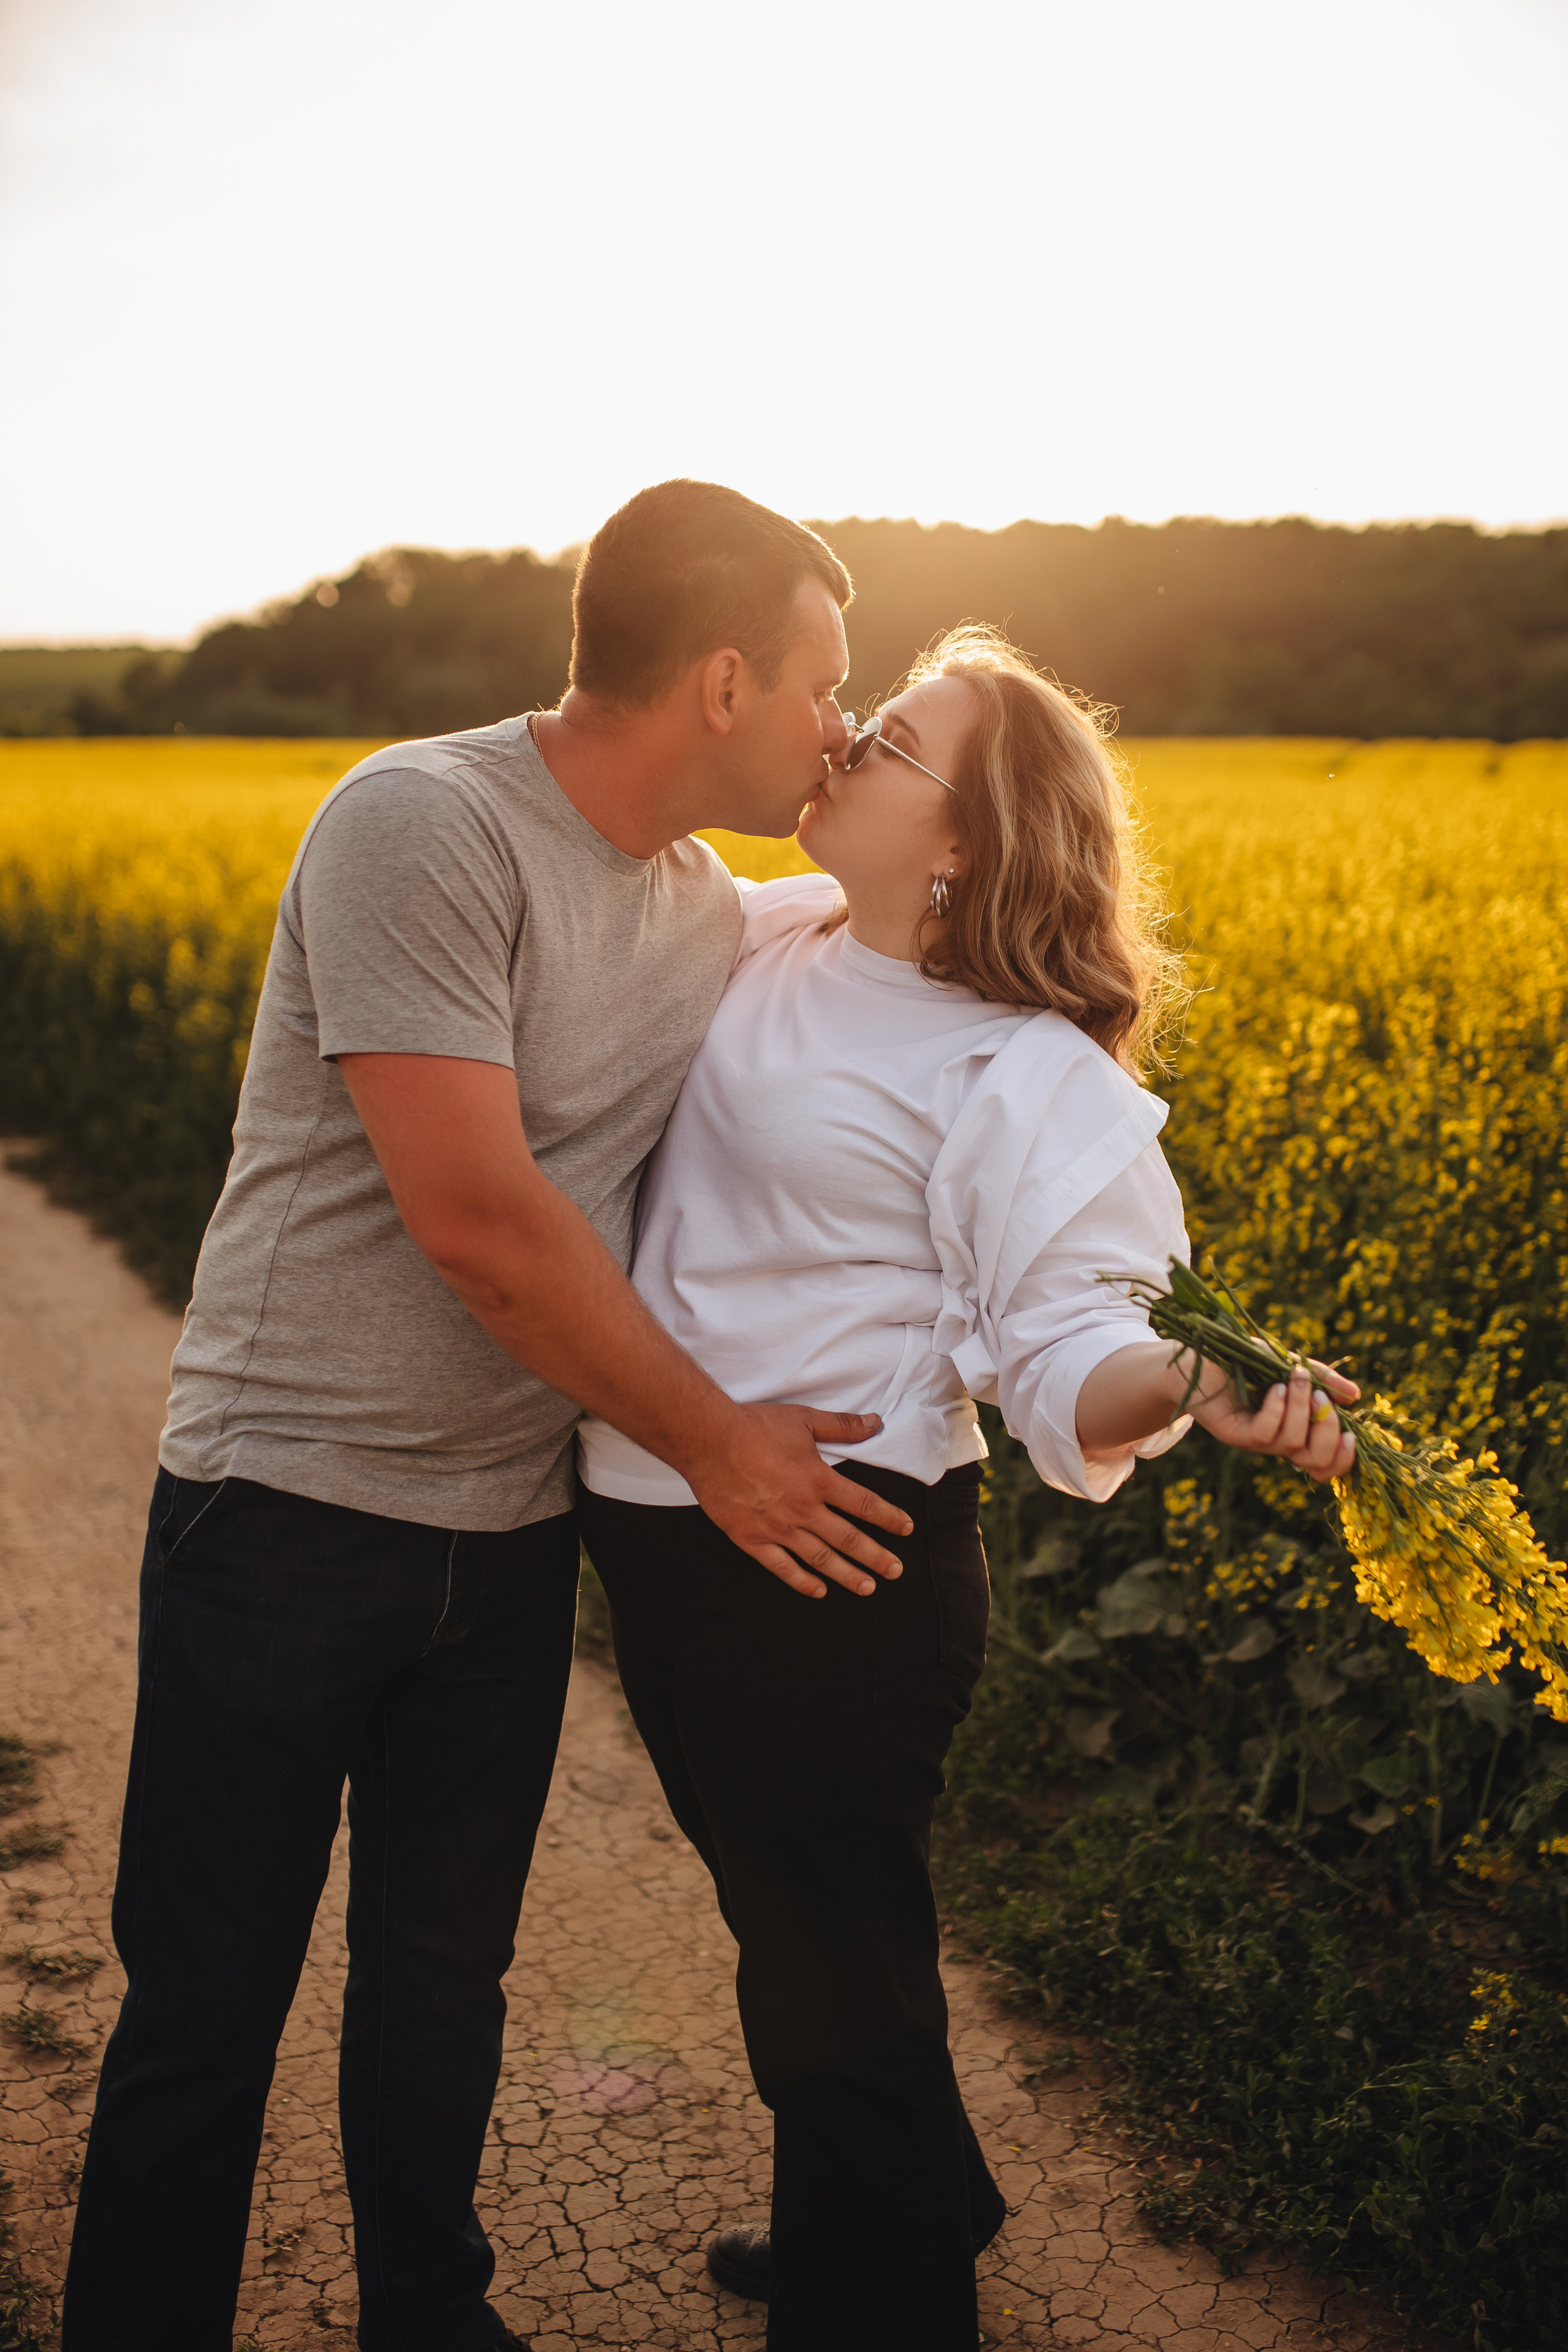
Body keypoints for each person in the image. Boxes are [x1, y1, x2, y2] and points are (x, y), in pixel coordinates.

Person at [62, 482, 918, 2352]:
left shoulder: (707, 907)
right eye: (823, 685)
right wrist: (717, 1441)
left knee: (443, 1985)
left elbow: (928, 943)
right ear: (718, 681)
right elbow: (480, 1224)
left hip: (509, 1542)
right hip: (283, 1514)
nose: (838, 725)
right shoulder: (421, 823)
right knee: (209, 2000)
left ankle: (427, 2322)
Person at [575, 625, 1359, 2352]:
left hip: (835, 1567)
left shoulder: (1024, 1073)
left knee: (825, 1970)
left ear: (965, 844)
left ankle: (882, 2286)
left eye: (898, 736)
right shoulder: (767, 930)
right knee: (790, 1919)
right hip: (664, 1525)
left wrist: (1199, 1380)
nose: (845, 736)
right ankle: (919, 2195)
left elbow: (1070, 1340)